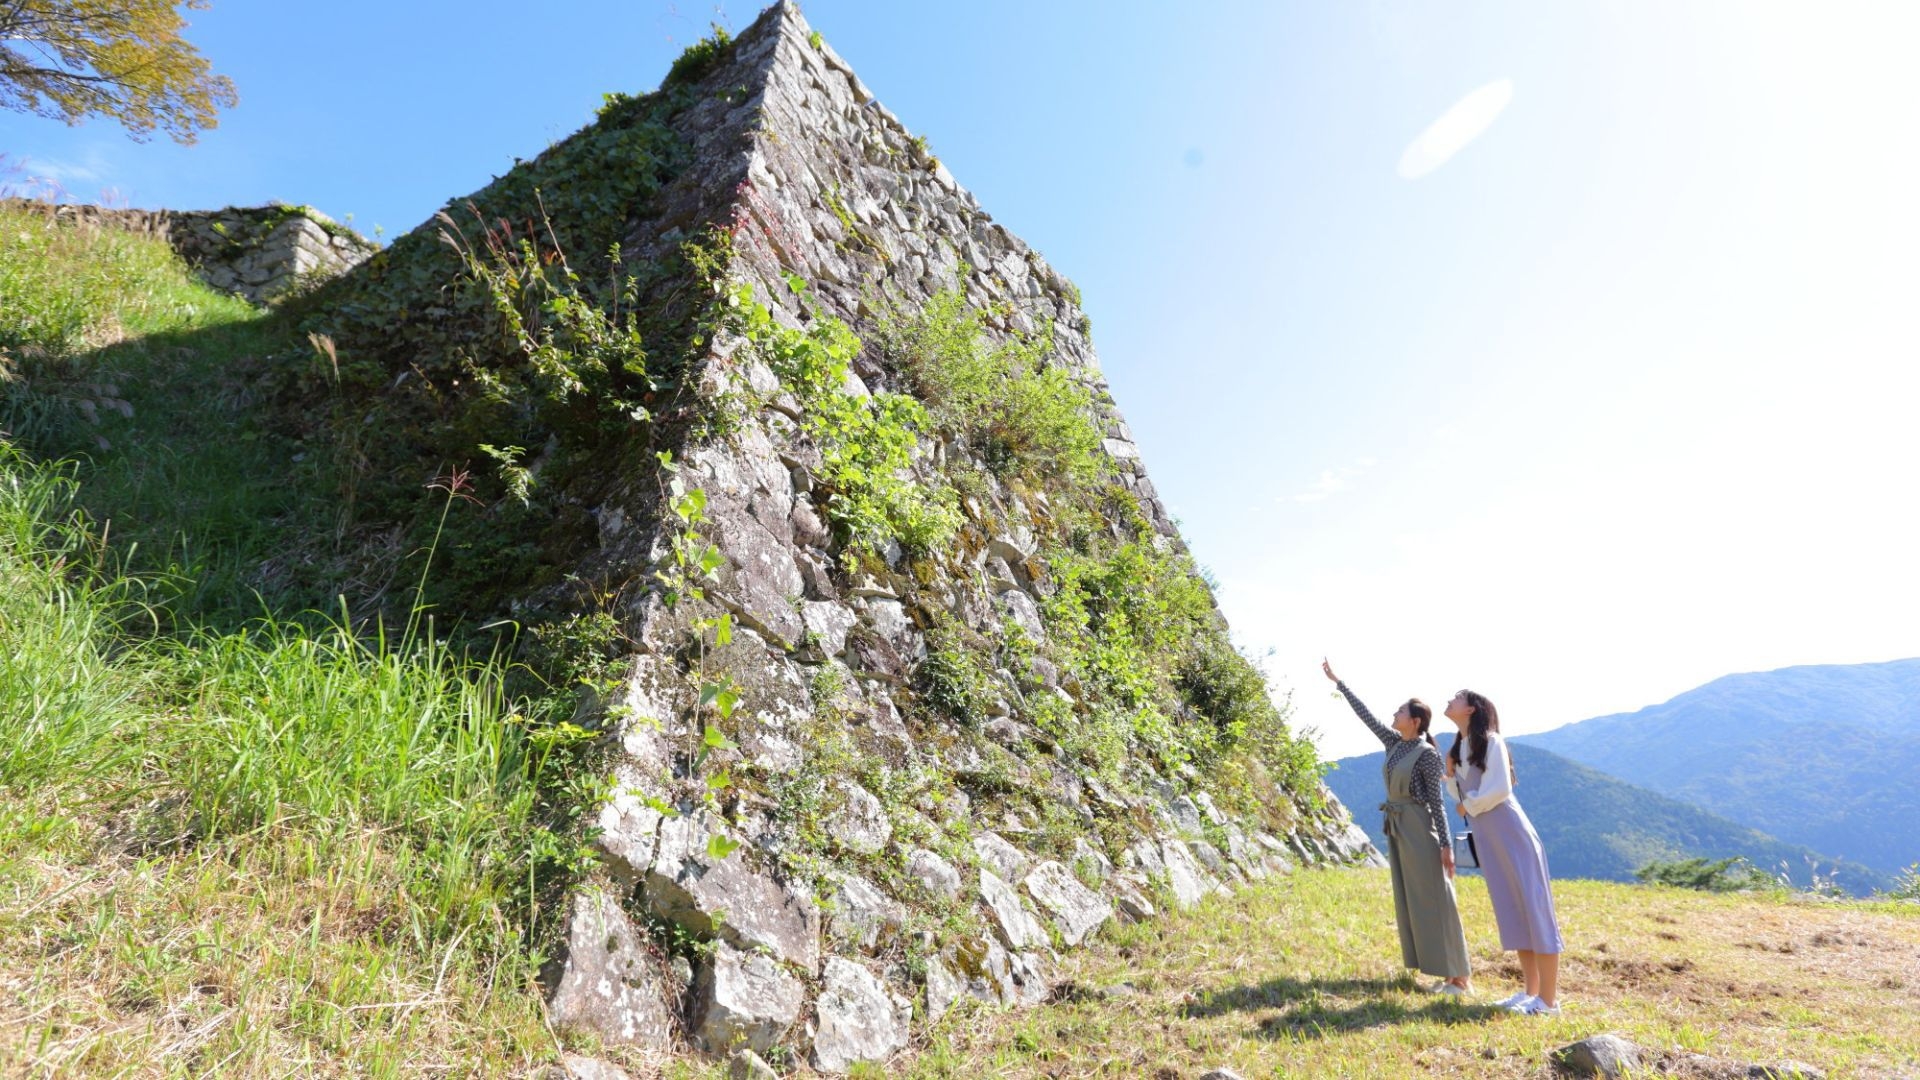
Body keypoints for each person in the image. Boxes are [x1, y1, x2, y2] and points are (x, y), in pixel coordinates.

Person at [1322, 659, 1472, 994]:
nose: (1394, 714)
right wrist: (1339, 683)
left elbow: (1437, 805)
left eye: (1400, 711)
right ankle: (1445, 973)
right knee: (1415, 900)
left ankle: (1460, 978)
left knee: (1437, 897)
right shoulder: (1394, 744)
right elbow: (1367, 716)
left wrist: (1446, 846)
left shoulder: (1428, 755)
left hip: (1420, 829)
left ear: (1415, 721)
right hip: (1399, 829)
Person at [1443, 688, 1564, 1015]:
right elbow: (1459, 796)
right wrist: (1451, 772)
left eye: (1456, 698)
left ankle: (1549, 1002)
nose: (1449, 700)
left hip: (1511, 833)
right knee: (1513, 913)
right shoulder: (1461, 747)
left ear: (1471, 709)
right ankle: (1531, 994)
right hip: (1489, 837)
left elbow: (1499, 789)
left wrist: (1467, 803)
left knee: (1534, 911)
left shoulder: (1491, 741)